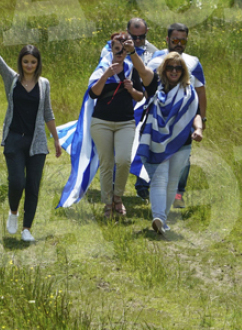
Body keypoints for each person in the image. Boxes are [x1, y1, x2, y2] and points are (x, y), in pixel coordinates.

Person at [0, 20, 61, 242]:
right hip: (14, 139)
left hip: (37, 143)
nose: (29, 65)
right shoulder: (11, 79)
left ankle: (27, 229)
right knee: (16, 182)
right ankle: (13, 212)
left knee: (32, 186)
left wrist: (56, 141)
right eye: (25, 61)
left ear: (38, 63)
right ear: (20, 62)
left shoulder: (44, 84)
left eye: (33, 62)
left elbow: (48, 113)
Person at [138, 52, 204, 236]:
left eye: (178, 68)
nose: (174, 71)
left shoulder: (189, 93)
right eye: (170, 67)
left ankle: (162, 221)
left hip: (181, 143)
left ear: (183, 71)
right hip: (154, 141)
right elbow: (142, 71)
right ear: (164, 69)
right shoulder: (154, 86)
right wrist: (132, 52)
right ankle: (158, 217)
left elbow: (196, 114)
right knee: (160, 179)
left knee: (172, 182)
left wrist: (198, 129)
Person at [88, 32, 153, 217]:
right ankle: (108, 203)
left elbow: (141, 96)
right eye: (116, 48)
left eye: (123, 49)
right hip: (101, 122)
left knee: (124, 160)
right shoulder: (102, 68)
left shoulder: (132, 69)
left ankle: (118, 197)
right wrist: (107, 75)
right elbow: (93, 94)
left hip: (125, 122)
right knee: (106, 163)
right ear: (111, 48)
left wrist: (132, 89)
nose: (119, 52)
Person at [146, 23, 206, 209]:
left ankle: (178, 193)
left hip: (185, 117)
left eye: (183, 40)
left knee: (183, 158)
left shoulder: (193, 62)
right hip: (159, 118)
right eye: (175, 40)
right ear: (167, 39)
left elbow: (201, 92)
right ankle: (152, 189)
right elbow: (146, 88)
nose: (179, 44)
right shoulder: (155, 58)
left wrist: (201, 121)